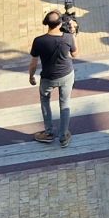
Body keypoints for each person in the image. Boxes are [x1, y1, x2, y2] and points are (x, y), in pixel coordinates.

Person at [28, 9, 78, 147]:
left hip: (48, 78)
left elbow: (33, 63)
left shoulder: (39, 41)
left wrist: (31, 76)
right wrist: (73, 33)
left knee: (45, 101)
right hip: (67, 75)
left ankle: (49, 133)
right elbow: (75, 54)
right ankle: (63, 137)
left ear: (47, 23)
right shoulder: (67, 37)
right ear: (60, 22)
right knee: (65, 103)